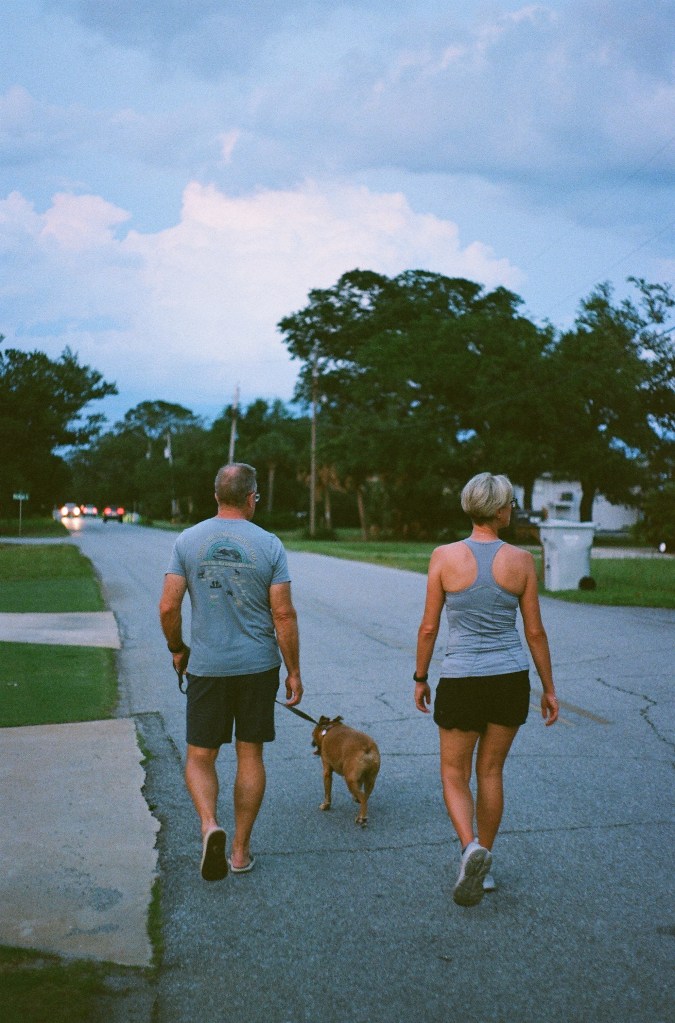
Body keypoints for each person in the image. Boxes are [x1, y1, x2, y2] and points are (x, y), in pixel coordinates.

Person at [414, 472, 558, 906]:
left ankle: (469, 848)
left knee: (453, 773)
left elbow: (428, 626)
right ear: (498, 510)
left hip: (460, 679)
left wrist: (420, 677)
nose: (512, 510)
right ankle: (486, 863)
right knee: (490, 772)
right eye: (510, 504)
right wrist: (549, 688)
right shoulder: (521, 561)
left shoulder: (444, 556)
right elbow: (535, 632)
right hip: (509, 679)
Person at [159, 462, 303, 881]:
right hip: (258, 666)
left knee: (201, 756)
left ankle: (209, 825)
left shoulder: (188, 540)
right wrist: (293, 671)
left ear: (216, 495)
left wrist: (177, 649)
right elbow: (284, 614)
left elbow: (168, 606)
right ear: (251, 497)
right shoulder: (270, 544)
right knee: (250, 753)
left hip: (207, 666)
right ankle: (239, 852)